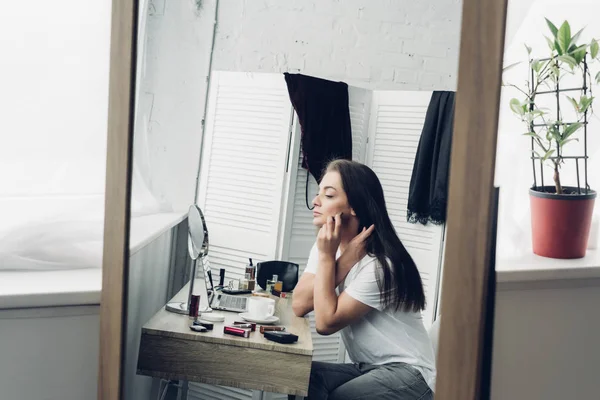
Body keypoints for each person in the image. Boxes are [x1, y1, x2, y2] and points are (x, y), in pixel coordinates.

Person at [292, 159, 436, 400]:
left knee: (341, 397)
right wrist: (342, 263)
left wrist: (329, 260)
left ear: (354, 207)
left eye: (328, 195)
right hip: (368, 368)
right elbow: (299, 304)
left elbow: (326, 323)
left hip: (411, 375)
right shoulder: (327, 247)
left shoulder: (381, 265)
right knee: (301, 376)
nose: (315, 202)